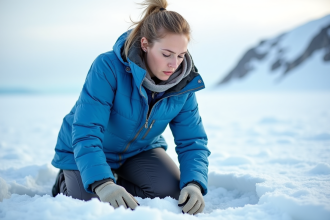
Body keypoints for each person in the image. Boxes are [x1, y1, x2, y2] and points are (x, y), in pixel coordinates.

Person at [51, 0, 210, 215]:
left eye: (181, 55)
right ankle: (68, 180)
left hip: (139, 151)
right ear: (145, 44)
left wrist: (194, 184)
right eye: (166, 54)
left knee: (172, 193)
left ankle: (118, 178)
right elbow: (87, 130)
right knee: (92, 204)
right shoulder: (107, 67)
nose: (174, 65)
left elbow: (192, 140)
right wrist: (103, 184)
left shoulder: (183, 83)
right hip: (83, 148)